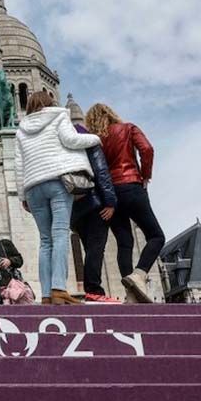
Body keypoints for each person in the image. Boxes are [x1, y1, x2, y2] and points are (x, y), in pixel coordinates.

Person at [15, 92, 101, 305]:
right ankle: (59, 289)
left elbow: (19, 165)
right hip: (56, 181)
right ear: (50, 102)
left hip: (33, 187)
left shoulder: (21, 129)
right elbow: (71, 140)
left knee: (45, 241)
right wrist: (96, 137)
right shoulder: (59, 115)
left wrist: (22, 195)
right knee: (60, 233)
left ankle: (45, 294)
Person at [85, 103, 166, 303]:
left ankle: (131, 295)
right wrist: (145, 175)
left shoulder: (94, 141)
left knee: (124, 243)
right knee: (156, 236)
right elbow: (147, 149)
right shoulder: (128, 128)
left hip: (109, 195)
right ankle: (139, 275)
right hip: (131, 186)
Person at [70, 120, 121, 304]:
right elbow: (101, 171)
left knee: (89, 248)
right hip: (94, 203)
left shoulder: (63, 149)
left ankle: (91, 290)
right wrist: (110, 202)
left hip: (75, 208)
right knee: (96, 247)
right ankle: (94, 290)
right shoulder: (89, 142)